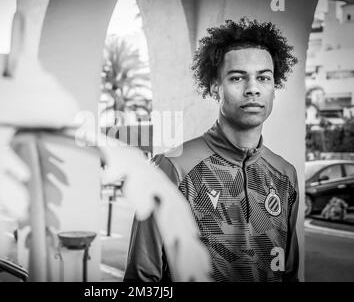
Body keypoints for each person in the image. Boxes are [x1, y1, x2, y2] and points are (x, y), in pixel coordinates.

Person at [124, 18, 300, 282]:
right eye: (238, 77)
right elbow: (141, 280)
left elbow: (289, 274)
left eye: (264, 77)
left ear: (274, 87)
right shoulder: (172, 169)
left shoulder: (285, 174)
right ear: (215, 87)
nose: (253, 89)